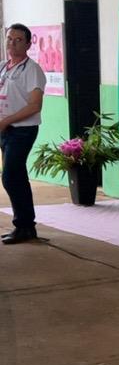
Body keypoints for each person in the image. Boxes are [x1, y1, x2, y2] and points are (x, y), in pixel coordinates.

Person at [0, 24, 46, 244]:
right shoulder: (3, 66)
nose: (12, 43)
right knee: (16, 176)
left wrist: (6, 121)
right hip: (5, 130)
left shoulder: (32, 70)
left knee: (10, 176)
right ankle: (26, 227)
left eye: (18, 40)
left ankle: (24, 225)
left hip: (22, 130)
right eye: (10, 38)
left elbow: (35, 105)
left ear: (28, 44)